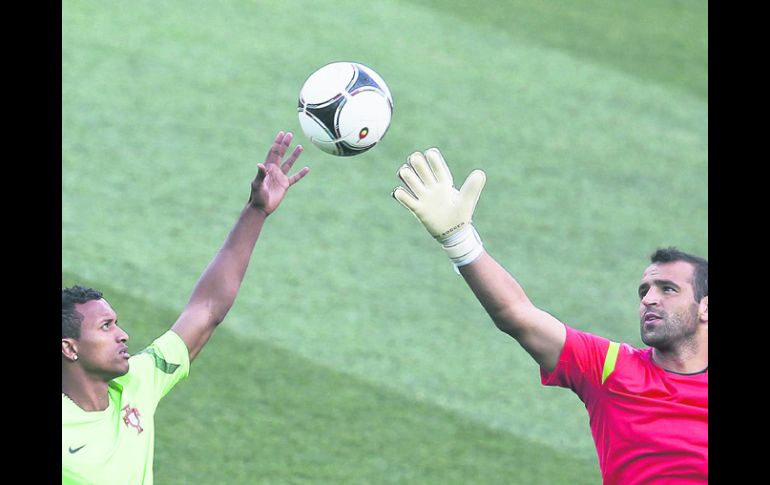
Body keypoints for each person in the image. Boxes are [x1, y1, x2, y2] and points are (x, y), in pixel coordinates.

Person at [392, 147, 708, 484]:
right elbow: (517, 314)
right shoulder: (611, 369)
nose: (649, 300)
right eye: (644, 291)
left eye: (668, 289)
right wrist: (460, 241)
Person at [62, 131, 309, 485]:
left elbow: (207, 309)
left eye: (116, 323)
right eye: (105, 327)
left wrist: (257, 211)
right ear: (69, 347)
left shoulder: (136, 382)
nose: (123, 334)